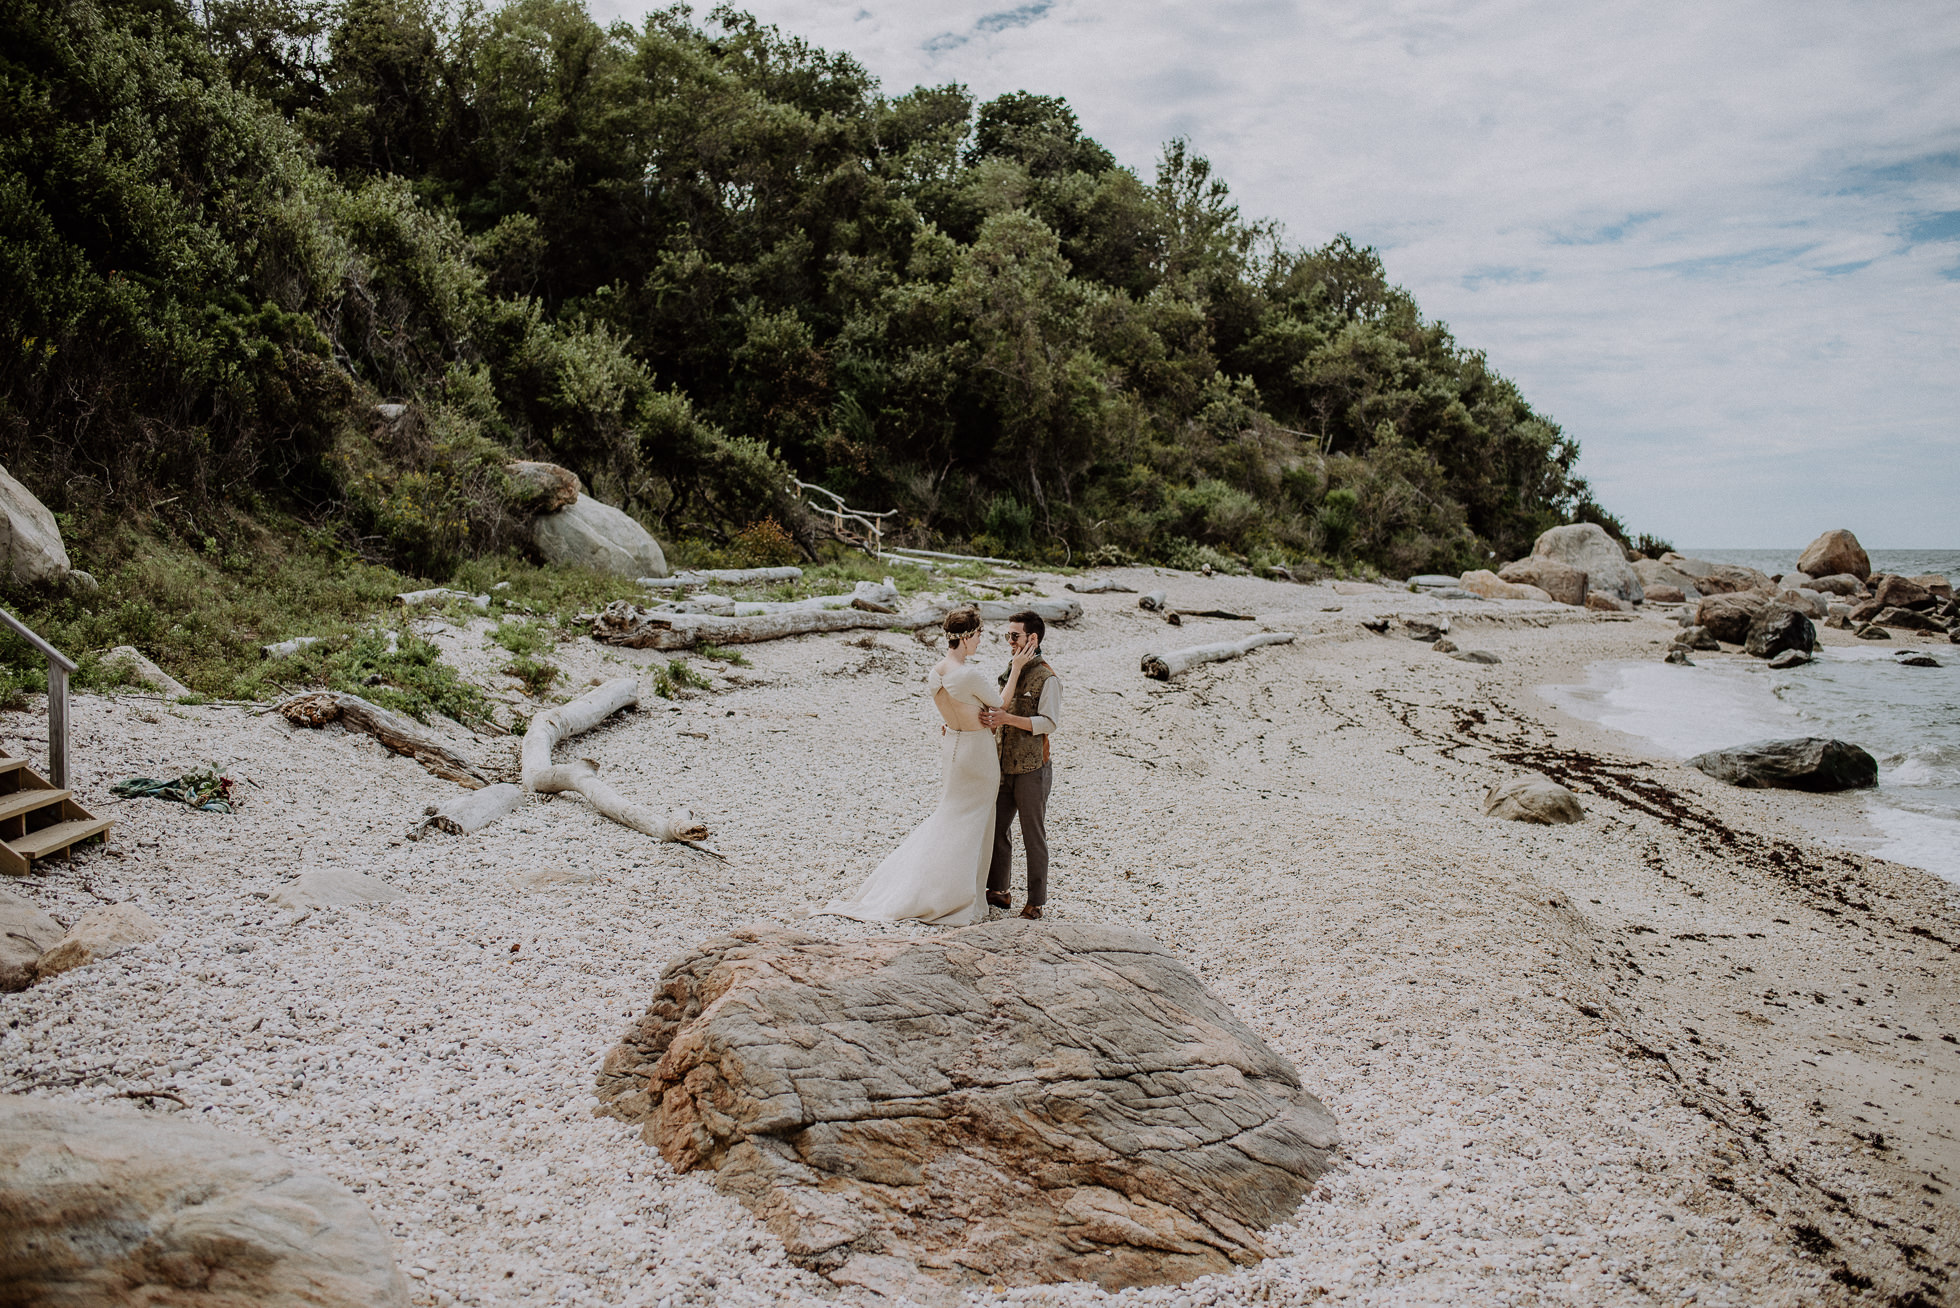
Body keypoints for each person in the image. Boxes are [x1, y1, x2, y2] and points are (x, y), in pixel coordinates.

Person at [818, 606, 1037, 925]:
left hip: (953, 747)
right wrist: (1016, 668)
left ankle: (933, 885)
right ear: (965, 638)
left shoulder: (936, 673)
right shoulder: (969, 675)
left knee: (950, 817)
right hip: (977, 751)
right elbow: (1000, 704)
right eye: (978, 636)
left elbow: (953, 712)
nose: (979, 642)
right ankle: (961, 895)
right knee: (975, 822)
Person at [978, 610, 1061, 919]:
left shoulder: (1047, 677)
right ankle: (999, 890)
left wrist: (1007, 719)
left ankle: (1037, 901)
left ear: (1032, 639)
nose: (1009, 641)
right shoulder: (1008, 670)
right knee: (997, 828)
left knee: (1032, 833)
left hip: (1032, 770)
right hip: (1003, 765)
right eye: (1007, 636)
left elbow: (1049, 723)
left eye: (1014, 636)